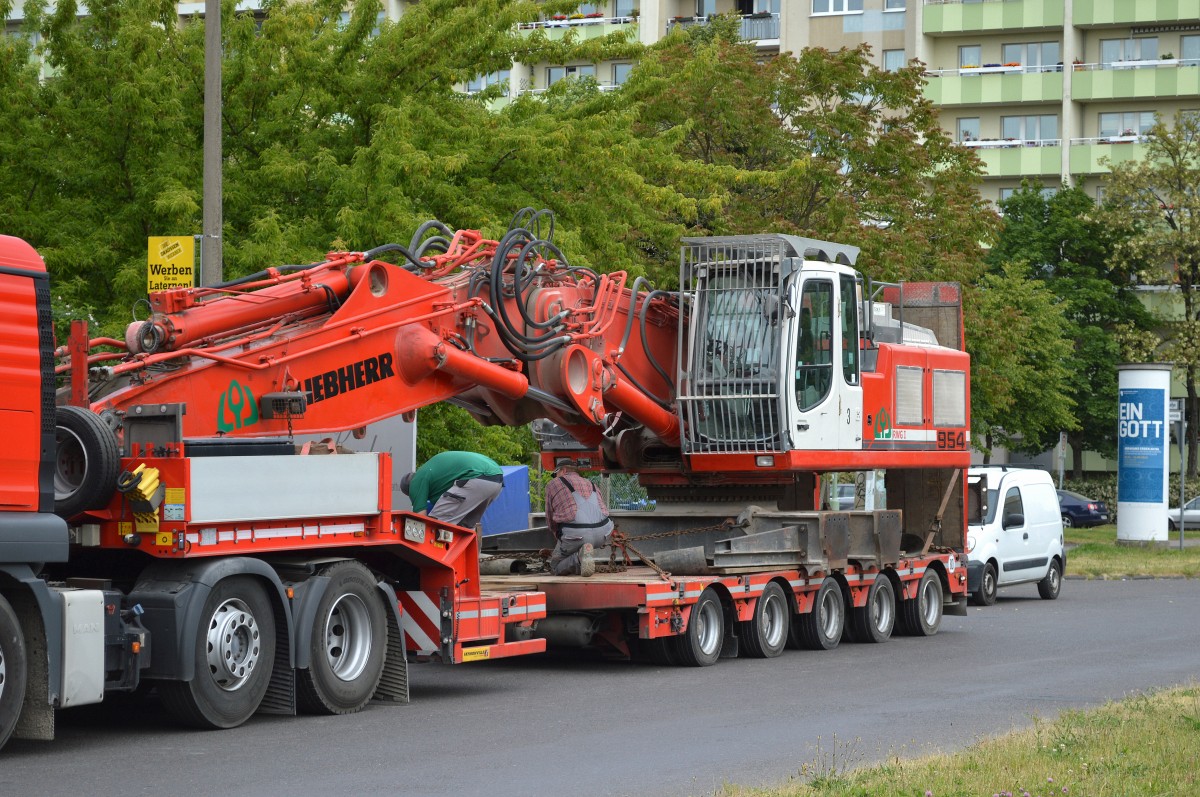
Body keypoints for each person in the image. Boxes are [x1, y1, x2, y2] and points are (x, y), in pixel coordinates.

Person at [544, 458, 614, 578]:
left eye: (555, 473)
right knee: (581, 542)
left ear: (563, 470)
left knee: (555, 566)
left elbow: (550, 518)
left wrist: (558, 536)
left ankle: (579, 558)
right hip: (604, 533)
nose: (555, 476)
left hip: (576, 534)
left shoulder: (553, 484)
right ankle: (583, 557)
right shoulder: (591, 483)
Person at [400, 451, 504, 529]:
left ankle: (433, 557)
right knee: (465, 527)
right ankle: (469, 556)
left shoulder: (416, 481)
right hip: (496, 479)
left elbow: (420, 518)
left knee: (435, 524)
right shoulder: (436, 477)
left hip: (476, 477)